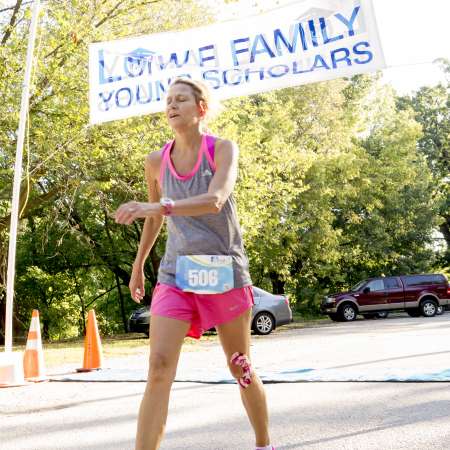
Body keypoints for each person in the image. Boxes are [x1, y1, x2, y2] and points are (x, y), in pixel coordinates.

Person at [114, 77, 275, 450]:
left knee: (240, 366)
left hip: (223, 273)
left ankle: (264, 443)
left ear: (200, 108)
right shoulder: (156, 161)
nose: (172, 105)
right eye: (168, 100)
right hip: (176, 275)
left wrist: (159, 206)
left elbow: (215, 199)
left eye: (181, 99)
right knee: (158, 368)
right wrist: (139, 265)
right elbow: (154, 220)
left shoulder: (222, 149)